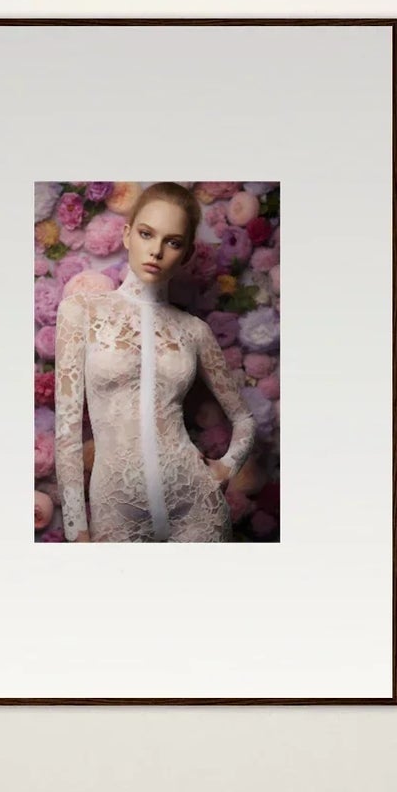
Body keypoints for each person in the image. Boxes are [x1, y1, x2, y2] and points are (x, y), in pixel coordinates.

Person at [53, 183, 256, 544]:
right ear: (128, 234)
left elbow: (245, 418)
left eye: (173, 242)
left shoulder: (195, 331)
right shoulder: (81, 312)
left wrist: (227, 467)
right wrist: (76, 532)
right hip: (116, 508)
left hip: (196, 504)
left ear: (188, 253)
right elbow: (67, 433)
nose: (157, 251)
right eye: (147, 234)